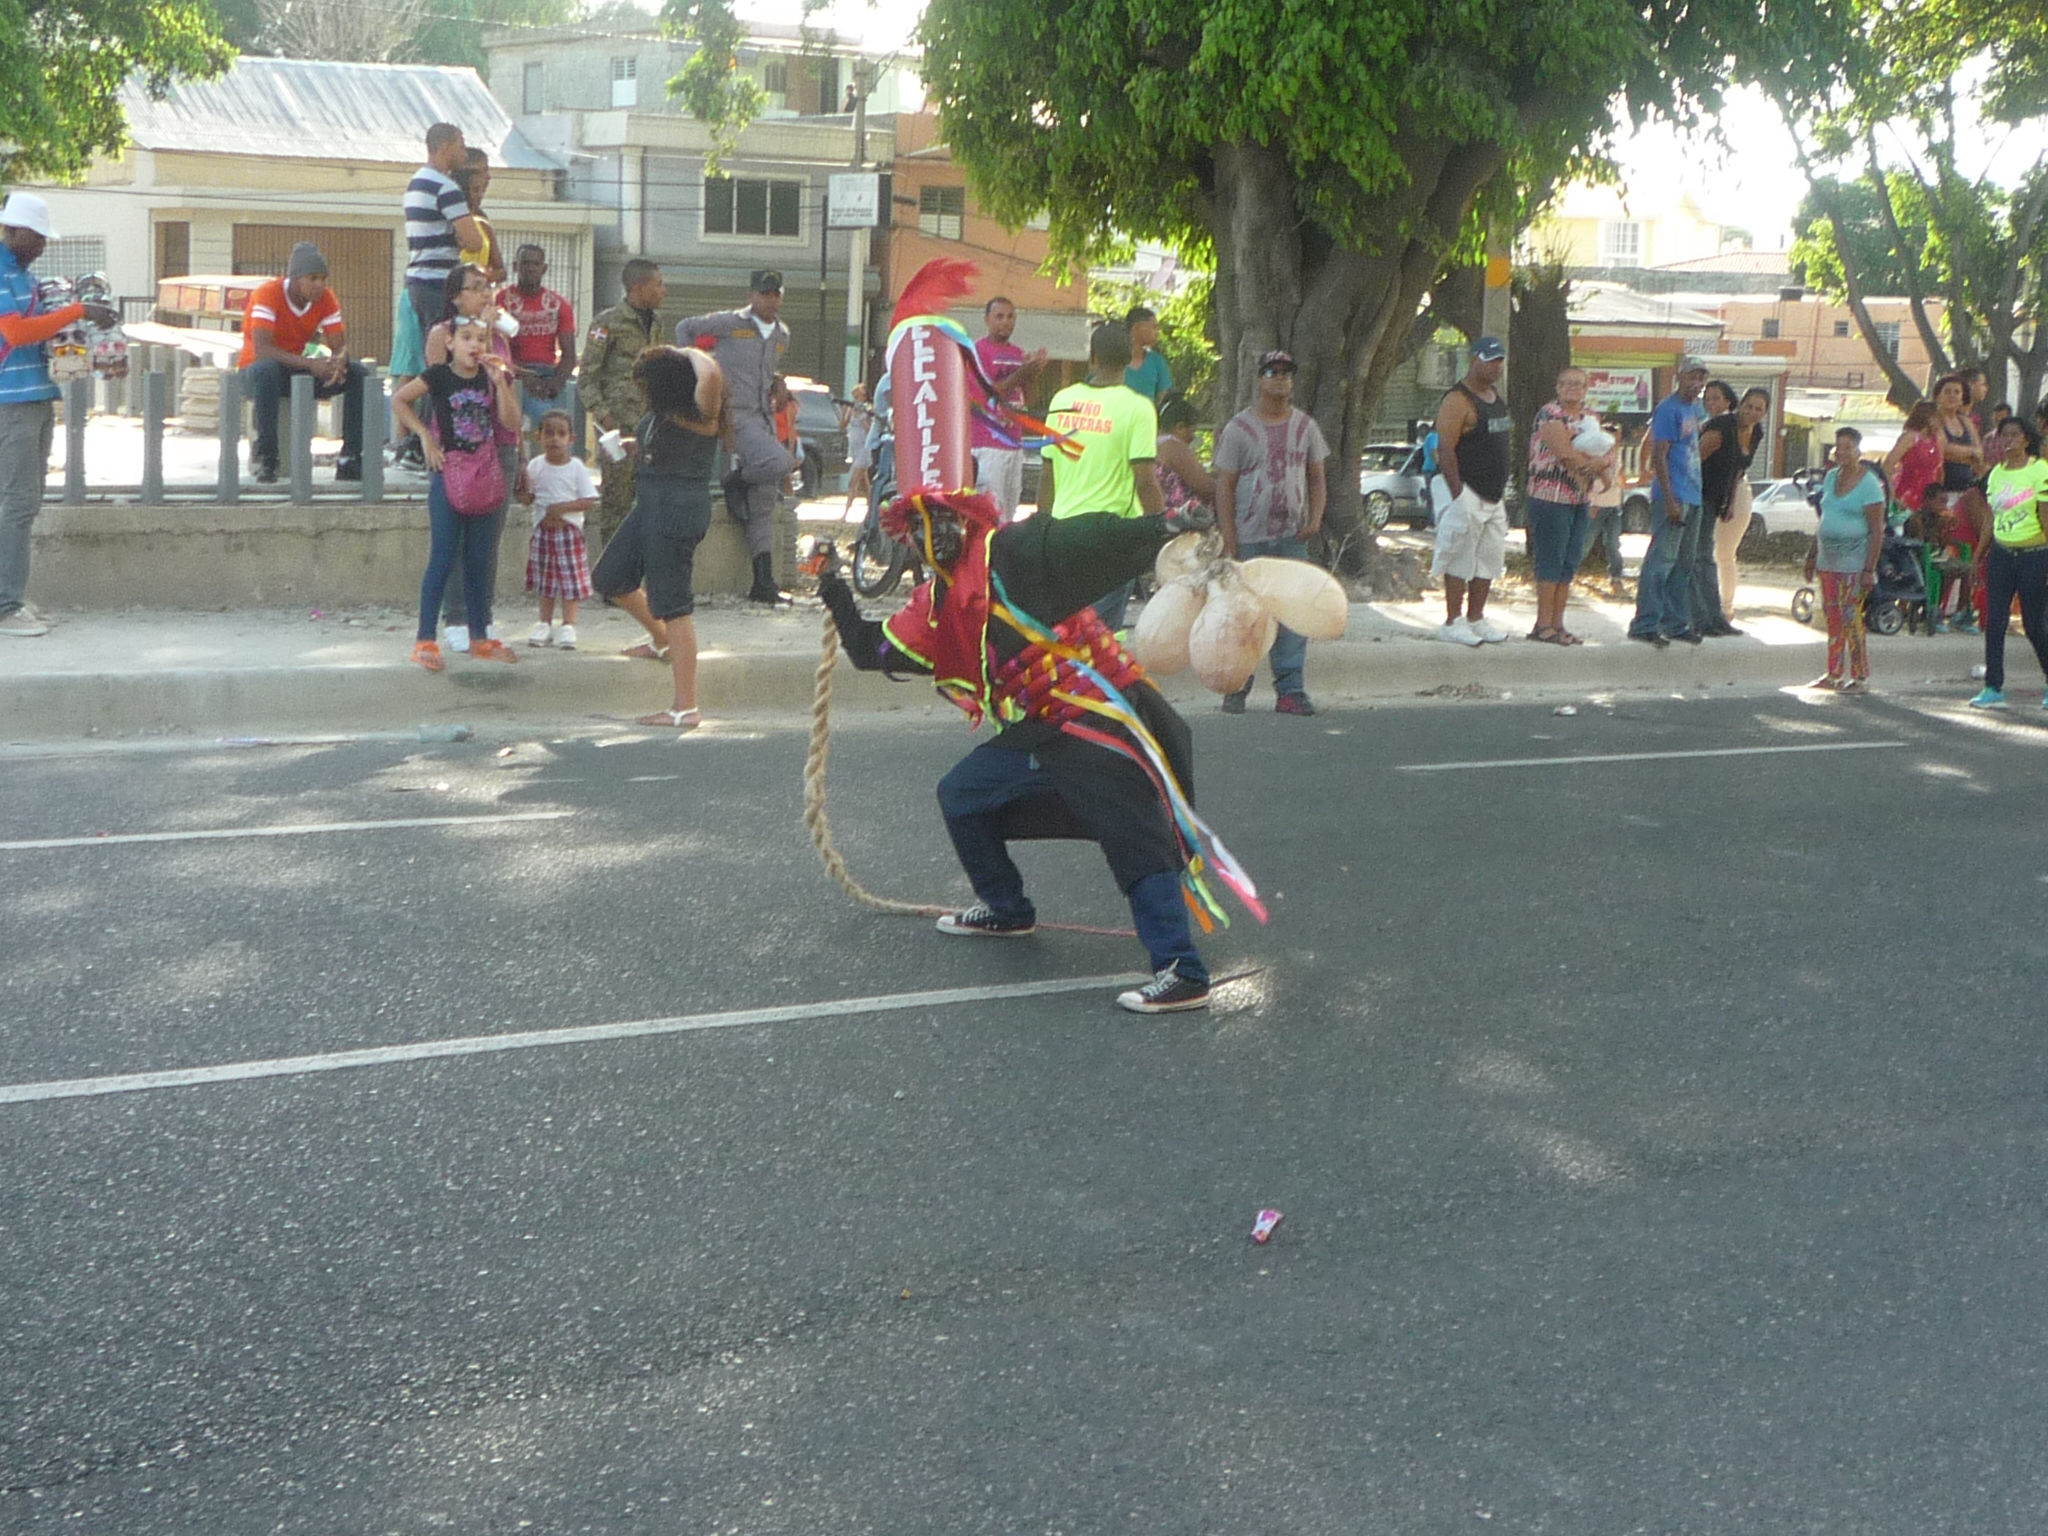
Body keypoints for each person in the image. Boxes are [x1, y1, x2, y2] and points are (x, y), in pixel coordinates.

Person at [816, 488, 1240, 1014]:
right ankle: (1006, 908)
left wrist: (1164, 526)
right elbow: (869, 649)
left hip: (1104, 713)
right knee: (964, 795)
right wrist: (834, 590)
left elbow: (1094, 540)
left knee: (1132, 828)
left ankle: (1183, 970)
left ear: (965, 522)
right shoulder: (938, 607)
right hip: (1045, 727)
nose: (931, 538)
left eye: (939, 522)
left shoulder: (1015, 552)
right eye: (919, 531)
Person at [0, 192, 118, 638]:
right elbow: (14, 330)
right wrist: (77, 310)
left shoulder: (24, 276)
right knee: (15, 503)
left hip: (34, 395)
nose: (42, 246)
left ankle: (11, 595)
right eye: (38, 238)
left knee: (25, 502)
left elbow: (41, 333)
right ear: (15, 232)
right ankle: (5, 607)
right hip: (10, 402)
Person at [591, 345, 726, 730]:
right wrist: (635, 447)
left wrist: (685, 351)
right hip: (650, 504)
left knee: (675, 605)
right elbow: (662, 449)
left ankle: (685, 708)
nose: (640, 392)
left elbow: (711, 375)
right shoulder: (664, 413)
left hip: (676, 510)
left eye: (646, 384)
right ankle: (661, 640)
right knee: (610, 578)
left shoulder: (703, 414)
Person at [391, 316, 523, 671]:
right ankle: (425, 639)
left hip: (483, 470)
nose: (474, 345)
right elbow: (400, 400)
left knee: (479, 557)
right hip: (448, 471)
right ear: (450, 342)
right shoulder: (438, 376)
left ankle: (479, 636)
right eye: (466, 338)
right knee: (444, 555)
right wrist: (424, 434)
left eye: (481, 338)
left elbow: (512, 423)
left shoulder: (489, 377)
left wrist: (502, 384)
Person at [1213, 349, 1329, 713]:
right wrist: (1229, 534)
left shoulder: (1306, 427)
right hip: (1250, 538)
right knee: (1246, 614)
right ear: (1259, 379)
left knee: (1293, 614)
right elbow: (1224, 485)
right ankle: (1236, 686)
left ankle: (1291, 690)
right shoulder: (1238, 429)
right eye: (1272, 371)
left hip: (1292, 538)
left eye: (1286, 372)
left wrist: (1315, 518)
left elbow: (1317, 478)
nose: (1280, 378)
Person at [676, 269, 798, 604]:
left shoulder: (781, 334)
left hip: (763, 418)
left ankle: (763, 582)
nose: (770, 299)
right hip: (735, 416)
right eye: (764, 293)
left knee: (761, 505)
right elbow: (685, 328)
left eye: (775, 293)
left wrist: (777, 380)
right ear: (752, 295)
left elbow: (767, 366)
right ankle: (736, 480)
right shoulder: (730, 323)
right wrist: (695, 373)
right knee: (781, 462)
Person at [1039, 319, 1163, 629]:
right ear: (1128, 361)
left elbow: (1048, 472)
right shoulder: (1138, 408)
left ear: (1092, 357)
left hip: (1064, 533)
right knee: (1103, 637)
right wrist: (1159, 528)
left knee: (1066, 629)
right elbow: (1145, 480)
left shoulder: (1062, 400)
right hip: (1113, 536)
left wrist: (1041, 530)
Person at [424, 263, 520, 652]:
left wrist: (522, 455)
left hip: (499, 444)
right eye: (476, 287)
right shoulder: (442, 334)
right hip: (459, 447)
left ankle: (483, 616)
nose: (485, 294)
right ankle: (455, 616)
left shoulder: (497, 335)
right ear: (456, 296)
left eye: (488, 287)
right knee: (452, 539)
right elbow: (438, 385)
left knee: (487, 541)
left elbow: (508, 391)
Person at [235, 242, 366, 485]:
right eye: (313, 278)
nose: (320, 285)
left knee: (358, 374)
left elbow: (340, 345)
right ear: (294, 278)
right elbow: (262, 350)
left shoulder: (326, 298)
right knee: (267, 371)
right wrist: (310, 364)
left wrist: (339, 361)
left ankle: (350, 459)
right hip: (256, 370)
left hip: (295, 369)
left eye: (323, 279)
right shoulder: (268, 293)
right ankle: (268, 457)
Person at [583, 258, 667, 579]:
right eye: (657, 284)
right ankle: (612, 579)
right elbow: (588, 379)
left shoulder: (656, 323)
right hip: (618, 429)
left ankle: (639, 577)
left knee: (648, 503)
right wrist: (606, 418)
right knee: (616, 505)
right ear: (638, 287)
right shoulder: (607, 323)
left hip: (649, 429)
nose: (663, 290)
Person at [1429, 335, 1512, 645]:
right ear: (1473, 359)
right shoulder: (1458, 400)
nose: (1496, 366)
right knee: (1460, 558)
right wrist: (1458, 494)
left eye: (1500, 360)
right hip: (1469, 491)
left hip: (1495, 495)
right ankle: (1453, 620)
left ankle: (1476, 617)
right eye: (1489, 359)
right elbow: (1445, 449)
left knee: (1489, 559)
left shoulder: (1494, 396)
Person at [1523, 365, 1611, 645]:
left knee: (1569, 563)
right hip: (1550, 497)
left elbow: (1609, 451)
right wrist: (1596, 465)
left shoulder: (1591, 418)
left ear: (1586, 389)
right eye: (1566, 383)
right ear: (1557, 388)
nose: (1572, 388)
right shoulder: (1550, 414)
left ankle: (1558, 624)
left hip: (1579, 498)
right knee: (1551, 561)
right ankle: (1543, 624)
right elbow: (1565, 454)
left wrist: (1602, 464)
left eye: (1579, 384)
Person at [1627, 356, 1710, 648]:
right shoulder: (1667, 409)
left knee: (1684, 563)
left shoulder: (1695, 409)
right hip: (1672, 495)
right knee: (1661, 560)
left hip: (1693, 492)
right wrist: (1670, 498)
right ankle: (1645, 622)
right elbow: (1659, 455)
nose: (1696, 384)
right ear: (1679, 376)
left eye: (1701, 379)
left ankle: (1675, 622)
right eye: (1692, 377)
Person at [1967, 416, 2048, 709]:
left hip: (2034, 554)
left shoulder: (2040, 470)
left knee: (2033, 624)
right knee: (1995, 620)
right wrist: (1979, 556)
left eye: (2015, 435)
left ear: (2026, 439)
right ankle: (1993, 686)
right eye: (2004, 436)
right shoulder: (1996, 475)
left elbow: (2045, 514)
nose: (2008, 440)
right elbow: (1991, 517)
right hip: (2002, 554)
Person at [1803, 427, 1886, 693]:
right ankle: (1834, 673)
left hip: (1854, 560)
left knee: (1851, 616)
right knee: (1833, 616)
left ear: (1858, 451)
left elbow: (1876, 530)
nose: (1843, 453)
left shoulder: (1870, 484)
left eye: (1848, 447)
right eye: (1839, 447)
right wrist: (1812, 556)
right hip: (1829, 559)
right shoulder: (1830, 478)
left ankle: (1860, 675)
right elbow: (1824, 519)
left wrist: (1868, 569)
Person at [519, 410, 596, 649]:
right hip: (542, 533)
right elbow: (527, 497)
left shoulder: (576, 468)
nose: (555, 439)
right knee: (546, 581)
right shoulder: (535, 465)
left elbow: (589, 500)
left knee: (570, 581)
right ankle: (544, 623)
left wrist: (561, 509)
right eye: (549, 433)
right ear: (538, 437)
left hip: (569, 533)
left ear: (571, 439)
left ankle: (568, 625)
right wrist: (518, 485)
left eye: (561, 434)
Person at [402, 124, 482, 348]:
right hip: (440, 284)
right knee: (445, 353)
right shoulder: (446, 188)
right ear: (445, 147)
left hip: (417, 283)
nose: (464, 153)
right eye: (461, 146)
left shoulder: (416, 183)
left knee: (429, 349)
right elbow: (475, 242)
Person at [1698, 383, 1770, 631]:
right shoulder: (1721, 426)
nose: (1752, 412)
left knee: (1725, 554)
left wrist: (1730, 502)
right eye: (1748, 406)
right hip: (1705, 492)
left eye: (1758, 409)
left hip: (1735, 489)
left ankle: (1726, 609)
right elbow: (1696, 459)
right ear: (1740, 404)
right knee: (1701, 552)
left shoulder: (1756, 431)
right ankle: (1699, 609)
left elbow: (1740, 469)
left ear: (1764, 412)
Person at [971, 295, 1049, 521]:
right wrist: (1022, 373)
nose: (1006, 322)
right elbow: (987, 393)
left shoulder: (1018, 353)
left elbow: (1031, 401)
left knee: (1010, 508)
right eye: (999, 316)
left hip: (1014, 442)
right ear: (987, 320)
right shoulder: (977, 351)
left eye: (1010, 316)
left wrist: (1033, 373)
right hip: (987, 443)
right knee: (990, 510)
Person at [497, 244, 578, 440]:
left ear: (544, 268)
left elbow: (569, 354)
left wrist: (554, 385)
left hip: (550, 375)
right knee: (544, 421)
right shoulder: (503, 301)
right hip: (515, 374)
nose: (530, 268)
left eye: (535, 263)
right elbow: (499, 352)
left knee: (565, 425)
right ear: (516, 267)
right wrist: (523, 377)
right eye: (525, 263)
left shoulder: (558, 304)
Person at [1153, 395, 1216, 530]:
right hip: (1178, 522)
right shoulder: (1173, 446)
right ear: (1180, 427)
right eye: (1192, 431)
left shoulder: (1151, 445)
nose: (1193, 438)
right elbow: (1205, 486)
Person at [1584, 421, 1631, 593]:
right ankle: (1567, 572)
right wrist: (1593, 502)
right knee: (1585, 543)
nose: (1616, 441)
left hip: (1614, 507)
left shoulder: (1618, 457)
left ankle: (1616, 577)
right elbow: (1590, 481)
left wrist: (1640, 481)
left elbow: (1621, 481)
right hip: (1598, 506)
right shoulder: (1597, 456)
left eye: (1618, 437)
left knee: (1613, 543)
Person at [456, 149, 504, 284]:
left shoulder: (482, 219)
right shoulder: (448, 216)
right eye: (484, 170)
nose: (488, 177)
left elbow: (499, 269)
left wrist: (482, 278)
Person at [1124, 305, 1173, 404]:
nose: (1157, 332)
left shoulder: (1157, 362)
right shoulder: (1113, 359)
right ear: (1137, 328)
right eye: (1154, 327)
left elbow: (1162, 398)